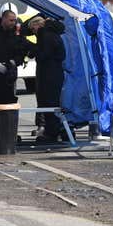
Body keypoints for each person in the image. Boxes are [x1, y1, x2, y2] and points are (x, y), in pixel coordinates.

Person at [27, 16, 66, 144]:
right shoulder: (53, 34)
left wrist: (33, 50)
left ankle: (52, 133)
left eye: (33, 29)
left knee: (49, 103)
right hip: (54, 72)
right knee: (53, 102)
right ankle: (58, 131)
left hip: (49, 74)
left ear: (38, 26)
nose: (34, 32)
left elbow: (44, 54)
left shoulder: (46, 35)